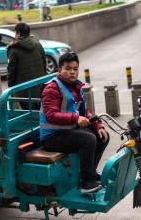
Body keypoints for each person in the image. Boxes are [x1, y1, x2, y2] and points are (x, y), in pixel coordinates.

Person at [40, 52, 109, 194]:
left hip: (67, 130)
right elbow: (50, 115)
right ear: (59, 70)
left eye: (75, 68)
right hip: (52, 136)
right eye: (67, 68)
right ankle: (85, 182)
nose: (72, 72)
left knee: (102, 136)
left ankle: (90, 173)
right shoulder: (52, 88)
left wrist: (98, 125)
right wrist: (75, 118)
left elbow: (84, 110)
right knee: (88, 139)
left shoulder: (75, 86)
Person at [7, 23, 46, 109]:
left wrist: (11, 88)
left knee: (28, 115)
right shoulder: (37, 44)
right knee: (40, 112)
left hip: (23, 90)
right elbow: (44, 63)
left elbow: (11, 71)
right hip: (40, 87)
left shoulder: (14, 49)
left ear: (19, 33)